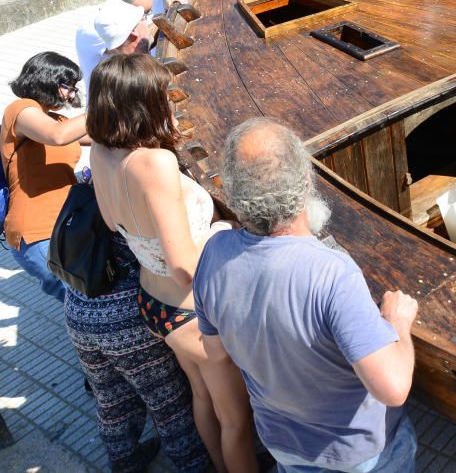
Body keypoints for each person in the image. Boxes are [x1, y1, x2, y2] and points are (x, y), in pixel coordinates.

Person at [194, 118, 419, 472]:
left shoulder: (213, 255)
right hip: (358, 457)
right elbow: (393, 389)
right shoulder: (332, 273)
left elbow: (216, 354)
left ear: (234, 195)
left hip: (284, 446)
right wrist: (398, 324)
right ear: (305, 183)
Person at [86, 54, 257, 473]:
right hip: (192, 310)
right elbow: (183, 264)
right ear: (145, 102)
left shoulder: (100, 153)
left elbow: (114, 223)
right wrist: (221, 235)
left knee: (201, 396)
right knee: (237, 418)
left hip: (154, 305)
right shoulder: (155, 164)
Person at [2, 53, 88, 303]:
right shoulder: (20, 110)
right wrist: (111, 103)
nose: (72, 95)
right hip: (38, 234)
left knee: (91, 302)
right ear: (46, 79)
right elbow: (58, 135)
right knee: (82, 304)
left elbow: (101, 136)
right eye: (67, 86)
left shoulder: (56, 119)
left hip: (65, 226)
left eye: (74, 88)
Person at [75, 0, 153, 101]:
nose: (145, 21)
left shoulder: (118, 20)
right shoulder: (97, 28)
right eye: (143, 15)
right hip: (109, 106)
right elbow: (138, 48)